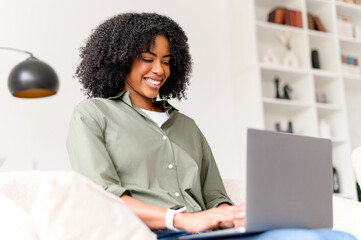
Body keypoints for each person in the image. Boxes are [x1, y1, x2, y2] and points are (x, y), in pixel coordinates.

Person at [67, 12, 356, 240]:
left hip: (209, 234)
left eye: (166, 61)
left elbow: (215, 197)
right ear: (119, 60)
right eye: (147, 59)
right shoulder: (93, 114)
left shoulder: (187, 126)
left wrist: (232, 214)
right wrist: (180, 218)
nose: (159, 70)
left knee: (338, 236)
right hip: (155, 233)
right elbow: (103, 197)